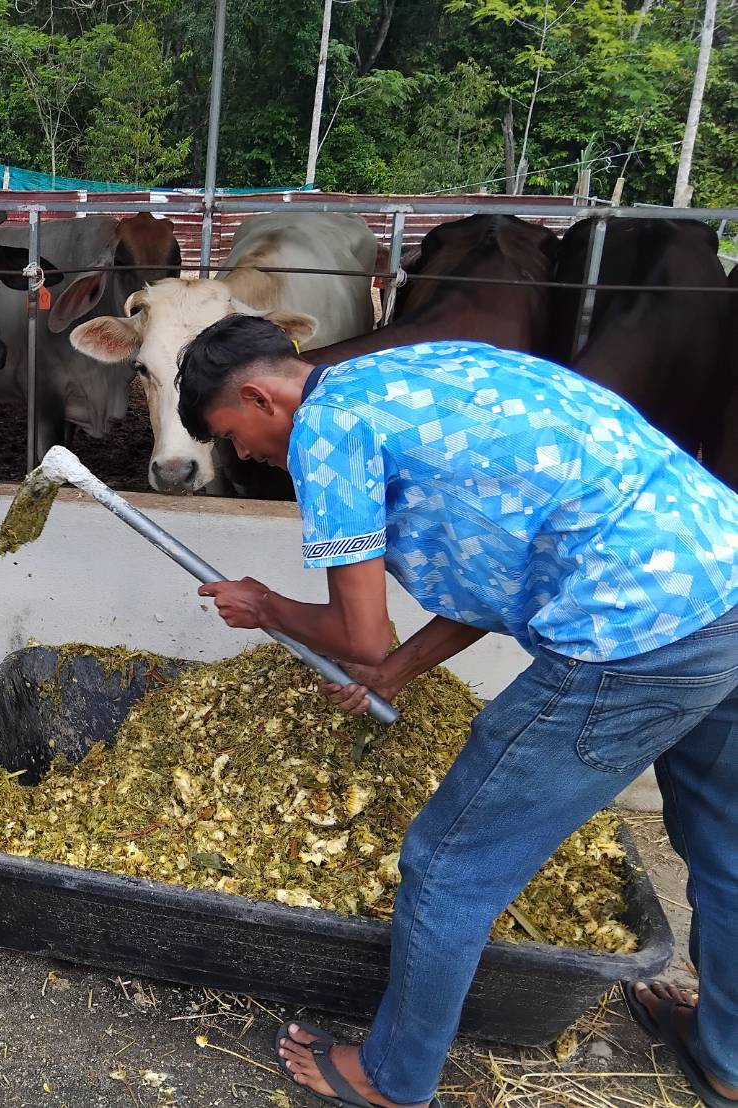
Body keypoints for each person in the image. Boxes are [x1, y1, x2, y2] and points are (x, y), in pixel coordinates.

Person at [174, 318, 738, 1108]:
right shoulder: (424, 373)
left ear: (258, 394)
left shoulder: (326, 430)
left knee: (447, 865)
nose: (242, 456)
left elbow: (357, 633)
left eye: (232, 434)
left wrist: (264, 605)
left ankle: (391, 1078)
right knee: (724, 843)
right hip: (724, 576)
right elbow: (502, 563)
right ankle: (728, 1058)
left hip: (633, 631)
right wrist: (397, 673)